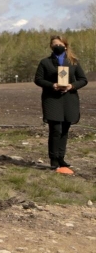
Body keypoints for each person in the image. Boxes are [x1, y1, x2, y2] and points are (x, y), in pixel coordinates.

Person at [34, 35, 88, 175]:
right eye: (54, 44)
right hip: (52, 99)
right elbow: (38, 79)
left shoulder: (73, 62)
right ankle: (54, 159)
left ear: (65, 46)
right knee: (55, 129)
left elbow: (83, 79)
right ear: (51, 46)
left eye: (59, 44)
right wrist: (53, 85)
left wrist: (72, 86)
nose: (56, 46)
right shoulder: (45, 62)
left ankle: (61, 158)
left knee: (64, 129)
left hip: (69, 99)